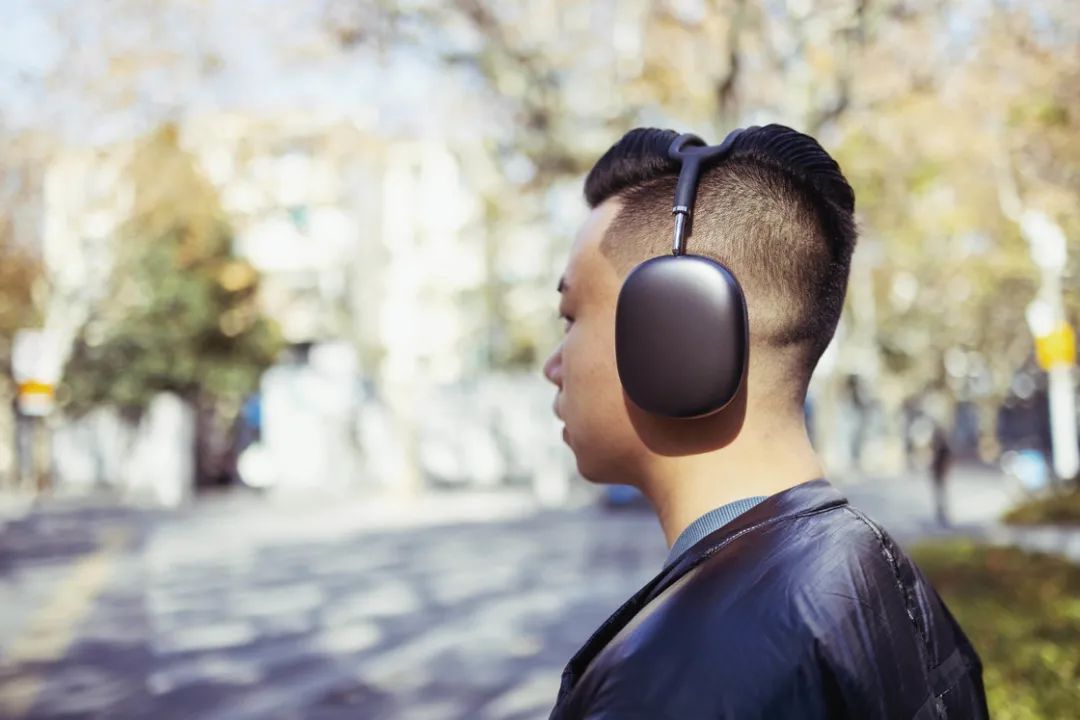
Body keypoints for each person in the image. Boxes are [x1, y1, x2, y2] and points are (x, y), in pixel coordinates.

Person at [542, 124, 988, 719]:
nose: (553, 365)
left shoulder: (674, 683)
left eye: (570, 316)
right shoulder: (877, 572)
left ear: (676, 330)